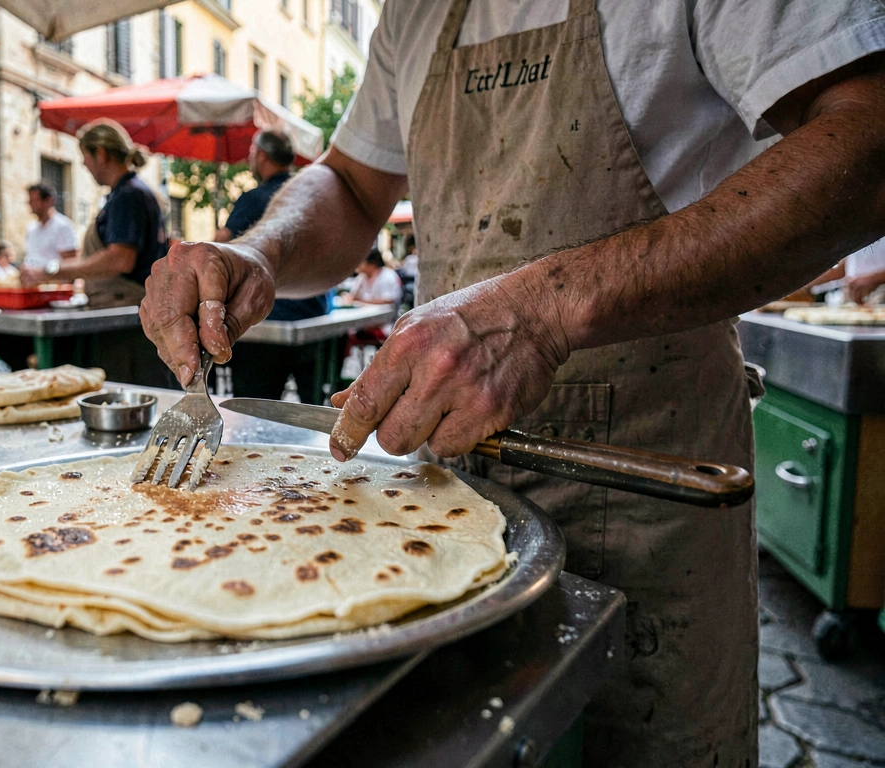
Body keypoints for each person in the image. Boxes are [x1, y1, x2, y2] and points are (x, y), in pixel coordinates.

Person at [139, 2, 885, 765]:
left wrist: (546, 310)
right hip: (444, 494)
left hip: (647, 479)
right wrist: (260, 251)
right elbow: (355, 186)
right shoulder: (412, 15)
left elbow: (868, 130)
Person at [212, 131, 330, 399]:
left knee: (255, 415)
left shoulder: (254, 199)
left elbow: (222, 246)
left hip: (266, 324)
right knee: (313, 414)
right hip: (315, 320)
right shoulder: (314, 196)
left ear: (262, 156)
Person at [20, 119, 165, 309]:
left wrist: (50, 271)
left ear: (101, 154)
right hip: (120, 304)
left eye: (85, 155)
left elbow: (119, 259)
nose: (83, 163)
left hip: (128, 307)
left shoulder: (128, 195)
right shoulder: (127, 192)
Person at [23, 183, 78, 269]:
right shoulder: (31, 228)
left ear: (48, 201)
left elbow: (70, 262)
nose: (30, 203)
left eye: (34, 200)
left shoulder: (62, 226)